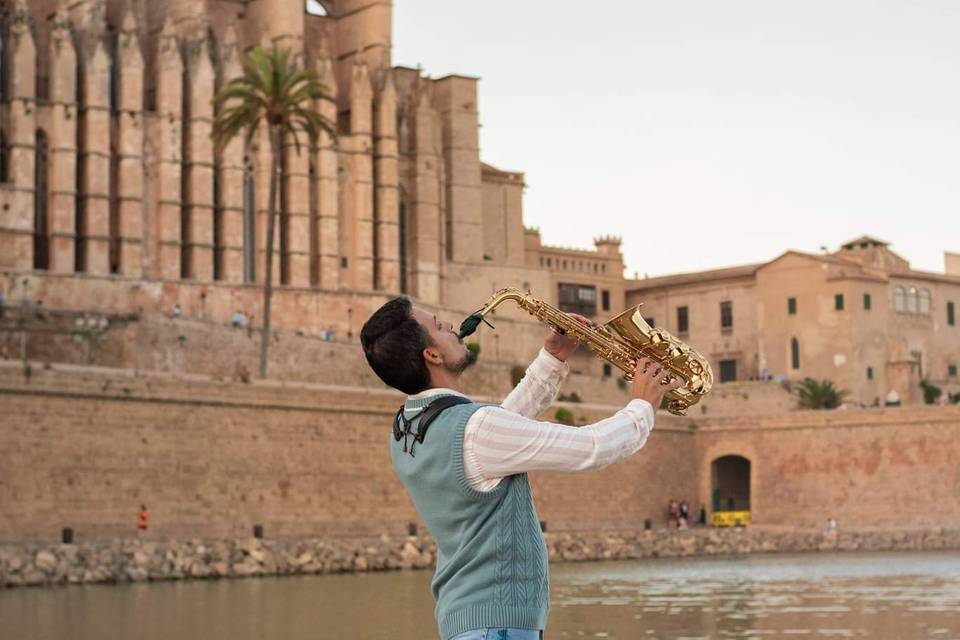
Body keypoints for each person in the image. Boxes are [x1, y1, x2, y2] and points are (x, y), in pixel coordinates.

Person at [360, 296, 681, 640]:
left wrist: (552, 359)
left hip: (468, 623)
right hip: (498, 628)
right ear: (432, 355)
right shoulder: (473, 428)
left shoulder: (408, 428)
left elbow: (497, 429)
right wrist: (643, 404)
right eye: (439, 326)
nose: (453, 327)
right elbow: (593, 447)